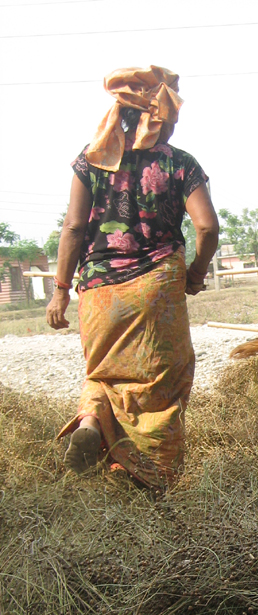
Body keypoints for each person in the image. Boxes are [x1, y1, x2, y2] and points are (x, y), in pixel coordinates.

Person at [46, 65, 219, 490]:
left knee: (103, 373)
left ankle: (90, 419)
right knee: (163, 383)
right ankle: (150, 477)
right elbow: (208, 228)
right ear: (161, 116)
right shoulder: (179, 163)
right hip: (156, 289)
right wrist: (196, 273)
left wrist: (60, 291)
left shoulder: (91, 159)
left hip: (100, 291)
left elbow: (72, 228)